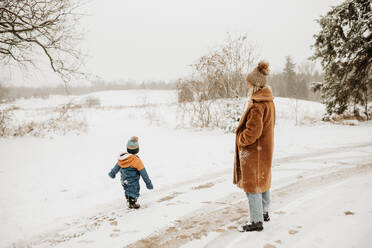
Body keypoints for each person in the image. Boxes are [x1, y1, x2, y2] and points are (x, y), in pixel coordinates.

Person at [233, 61, 276, 232]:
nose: (247, 85)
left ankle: (256, 221)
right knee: (263, 182)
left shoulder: (258, 105)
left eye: (248, 83)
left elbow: (252, 132)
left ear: (255, 85)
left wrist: (241, 139)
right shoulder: (269, 102)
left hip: (254, 153)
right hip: (264, 150)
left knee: (252, 187)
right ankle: (264, 212)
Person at [108, 136, 153, 209]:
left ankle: (128, 197)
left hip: (123, 180)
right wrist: (148, 183)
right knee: (134, 190)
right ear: (137, 149)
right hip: (133, 181)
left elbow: (116, 167)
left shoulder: (122, 158)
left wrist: (112, 173)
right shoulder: (136, 160)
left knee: (127, 189)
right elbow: (143, 173)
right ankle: (132, 203)